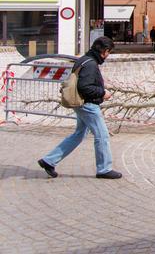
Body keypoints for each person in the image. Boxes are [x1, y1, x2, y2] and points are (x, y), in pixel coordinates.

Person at [38, 36, 122, 180]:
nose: (108, 56)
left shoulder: (84, 59)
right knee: (102, 136)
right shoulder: (91, 64)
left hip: (81, 104)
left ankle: (49, 160)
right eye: (108, 52)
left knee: (79, 134)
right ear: (104, 51)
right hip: (88, 105)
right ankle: (104, 169)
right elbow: (84, 87)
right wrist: (103, 92)